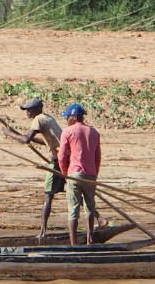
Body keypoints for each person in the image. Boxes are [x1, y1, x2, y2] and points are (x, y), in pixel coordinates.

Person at [10, 97, 64, 239]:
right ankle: (100, 219)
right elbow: (44, 140)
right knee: (74, 191)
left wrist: (9, 134)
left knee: (48, 194)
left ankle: (43, 232)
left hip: (58, 160)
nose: (27, 112)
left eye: (28, 110)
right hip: (65, 158)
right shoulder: (47, 118)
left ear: (36, 110)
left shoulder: (38, 119)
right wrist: (17, 134)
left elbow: (26, 140)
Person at [55, 102, 101, 244]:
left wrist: (65, 173)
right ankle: (90, 239)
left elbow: (61, 156)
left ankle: (73, 243)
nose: (66, 119)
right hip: (91, 175)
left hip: (74, 174)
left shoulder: (68, 132)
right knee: (90, 207)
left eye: (67, 116)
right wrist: (94, 174)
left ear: (74, 117)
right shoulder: (94, 132)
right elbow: (97, 157)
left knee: (73, 209)